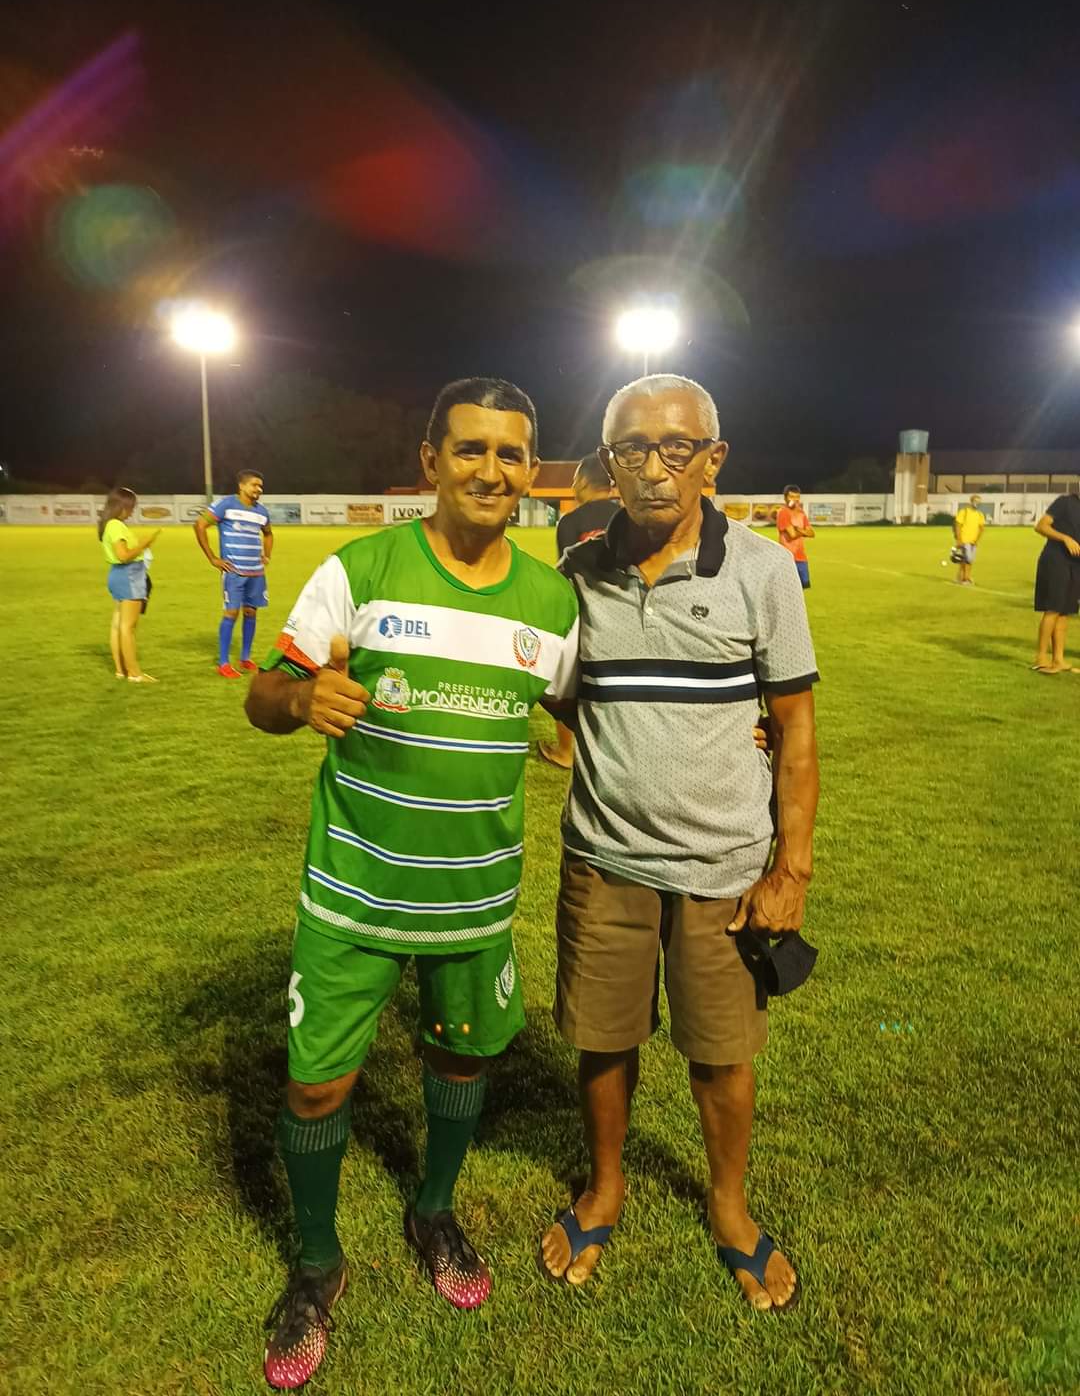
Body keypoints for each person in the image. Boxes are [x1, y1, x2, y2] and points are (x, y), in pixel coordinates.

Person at [245, 378, 578, 1389]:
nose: (491, 470)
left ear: (533, 473)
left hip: (475, 901)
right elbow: (265, 692)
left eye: (511, 454)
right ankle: (315, 1262)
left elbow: (575, 717)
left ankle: (433, 1208)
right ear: (431, 461)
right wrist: (303, 697)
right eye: (470, 450)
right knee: (316, 1081)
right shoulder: (361, 571)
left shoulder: (553, 602)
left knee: (463, 1064)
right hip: (354, 893)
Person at [539, 374, 819, 1315]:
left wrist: (791, 869)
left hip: (726, 868)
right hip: (604, 858)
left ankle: (730, 1209)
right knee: (603, 1040)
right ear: (606, 461)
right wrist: (553, 725)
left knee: (722, 1051)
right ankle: (606, 1186)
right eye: (631, 450)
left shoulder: (764, 570)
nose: (654, 469)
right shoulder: (577, 571)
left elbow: (797, 729)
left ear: (713, 457)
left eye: (676, 448)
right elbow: (556, 689)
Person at [538, 455, 621, 770]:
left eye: (575, 480)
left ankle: (565, 751)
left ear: (585, 482)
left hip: (586, 613)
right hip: (626, 612)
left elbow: (567, 573)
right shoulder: (625, 516)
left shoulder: (570, 522)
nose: (572, 486)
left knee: (569, 676)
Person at [194, 469, 274, 677]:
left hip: (256, 573)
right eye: (254, 485)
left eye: (260, 486)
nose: (259, 489)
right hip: (234, 571)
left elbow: (268, 534)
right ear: (242, 486)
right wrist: (213, 557)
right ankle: (223, 663)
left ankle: (245, 658)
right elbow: (200, 525)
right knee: (231, 613)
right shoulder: (226, 505)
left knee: (251, 612)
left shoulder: (261, 511)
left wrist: (267, 555)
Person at [98, 486, 160, 683]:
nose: (133, 510)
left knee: (117, 625)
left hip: (117, 576)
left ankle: (120, 670)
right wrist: (145, 543)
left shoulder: (109, 524)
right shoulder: (116, 526)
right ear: (122, 506)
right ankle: (134, 674)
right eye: (131, 506)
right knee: (128, 627)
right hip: (129, 576)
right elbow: (123, 555)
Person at [1032, 490, 1080, 673]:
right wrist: (1065, 538)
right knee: (1053, 608)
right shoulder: (1065, 502)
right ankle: (1041, 659)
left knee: (1065, 611)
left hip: (1076, 565)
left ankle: (1058, 660)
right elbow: (1041, 526)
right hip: (1056, 560)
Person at [776, 485, 814, 588]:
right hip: (788, 558)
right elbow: (792, 535)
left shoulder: (801, 512)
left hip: (801, 557)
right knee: (789, 588)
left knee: (804, 586)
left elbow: (812, 533)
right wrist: (803, 531)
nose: (795, 500)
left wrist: (798, 529)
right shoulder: (783, 512)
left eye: (797, 497)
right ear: (785, 498)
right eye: (791, 497)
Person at [952, 493, 985, 586]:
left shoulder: (980, 515)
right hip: (964, 539)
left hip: (973, 542)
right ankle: (965, 578)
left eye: (979, 502)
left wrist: (977, 540)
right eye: (976, 501)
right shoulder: (964, 512)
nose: (977, 504)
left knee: (968, 560)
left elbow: (982, 528)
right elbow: (958, 526)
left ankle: (960, 577)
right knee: (968, 559)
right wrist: (959, 539)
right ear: (971, 502)